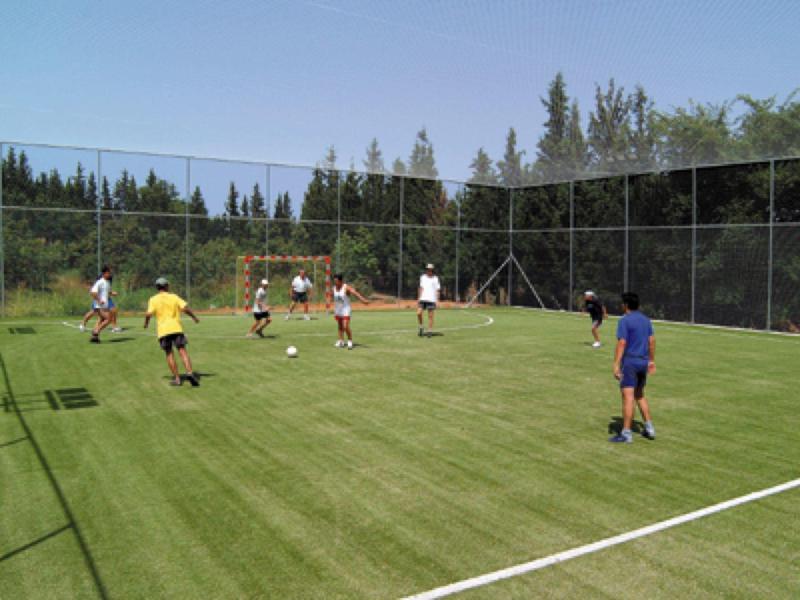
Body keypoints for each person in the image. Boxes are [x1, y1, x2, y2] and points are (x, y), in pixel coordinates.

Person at [610, 292, 656, 443]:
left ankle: (626, 433)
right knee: (639, 394)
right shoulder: (646, 320)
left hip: (630, 363)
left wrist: (616, 364)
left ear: (625, 305)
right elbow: (651, 341)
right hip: (643, 362)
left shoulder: (625, 321)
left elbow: (622, 343)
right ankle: (649, 428)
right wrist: (651, 361)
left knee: (628, 397)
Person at [144, 277, 200, 387]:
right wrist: (194, 317)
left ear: (157, 288)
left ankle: (177, 379)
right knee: (182, 351)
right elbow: (185, 308)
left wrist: (146, 323)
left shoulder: (153, 299)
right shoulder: (174, 297)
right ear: (166, 286)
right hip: (176, 328)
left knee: (169, 353)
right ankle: (189, 373)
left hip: (163, 331)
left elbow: (148, 314)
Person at [332, 274, 369, 349]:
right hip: (338, 309)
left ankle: (349, 341)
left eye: (336, 281)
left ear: (341, 281)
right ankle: (341, 341)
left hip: (346, 309)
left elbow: (355, 293)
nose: (335, 282)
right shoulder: (334, 288)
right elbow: (332, 295)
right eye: (334, 281)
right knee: (340, 326)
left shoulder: (346, 287)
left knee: (345, 326)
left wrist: (362, 300)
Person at [88, 266, 114, 343]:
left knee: (101, 320)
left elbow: (108, 291)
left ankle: (95, 337)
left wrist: (112, 293)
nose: (110, 274)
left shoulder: (107, 282)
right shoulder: (100, 282)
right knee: (109, 319)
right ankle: (96, 331)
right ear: (104, 273)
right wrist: (99, 300)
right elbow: (93, 292)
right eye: (108, 273)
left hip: (105, 305)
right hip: (99, 305)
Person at [417, 263, 440, 337]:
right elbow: (421, 288)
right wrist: (419, 297)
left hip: (431, 299)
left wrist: (437, 300)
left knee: (430, 316)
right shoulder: (422, 277)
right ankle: (421, 327)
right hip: (423, 298)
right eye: (428, 269)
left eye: (430, 269)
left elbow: (437, 290)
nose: (429, 270)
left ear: (432, 270)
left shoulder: (435, 278)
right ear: (426, 269)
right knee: (419, 313)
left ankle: (429, 331)